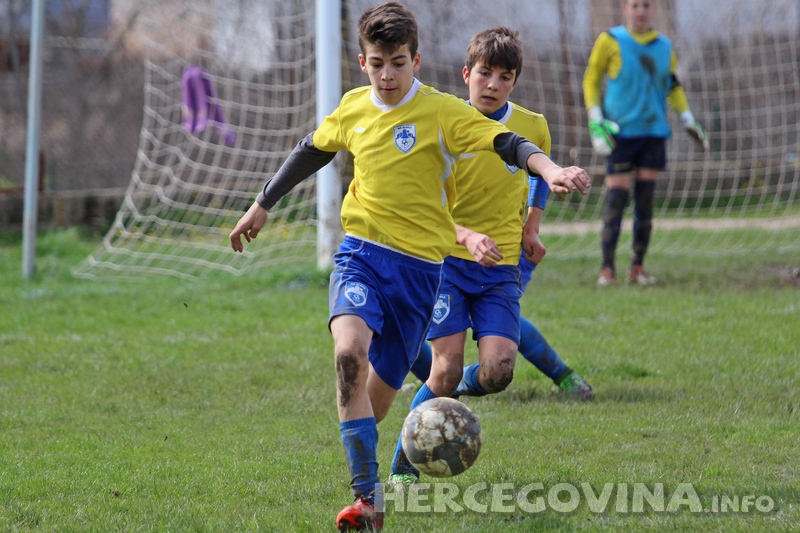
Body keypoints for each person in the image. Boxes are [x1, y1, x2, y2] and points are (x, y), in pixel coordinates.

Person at [228, 3, 591, 531]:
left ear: (416, 60)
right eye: (377, 63)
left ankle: (385, 466)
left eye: (398, 62)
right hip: (361, 254)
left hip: (420, 274)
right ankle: (367, 502)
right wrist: (262, 202)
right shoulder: (354, 107)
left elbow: (507, 142)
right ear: (363, 61)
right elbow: (313, 148)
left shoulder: (442, 111)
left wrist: (550, 169)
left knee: (373, 407)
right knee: (348, 354)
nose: (388, 74)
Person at [389, 26, 593, 490]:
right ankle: (402, 464)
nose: (493, 84)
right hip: (447, 262)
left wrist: (532, 226)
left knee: (499, 372)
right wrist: (465, 235)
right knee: (443, 367)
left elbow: (538, 173)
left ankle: (444, 392)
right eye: (485, 73)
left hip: (500, 267)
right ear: (467, 74)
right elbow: (425, 202)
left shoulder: (531, 125)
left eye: (504, 76)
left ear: (514, 82)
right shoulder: (444, 125)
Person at [583, 0, 708, 287]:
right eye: (634, 5)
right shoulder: (610, 40)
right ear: (624, 9)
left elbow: (672, 86)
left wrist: (687, 117)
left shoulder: (665, 46)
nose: (640, 10)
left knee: (645, 203)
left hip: (653, 133)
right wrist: (594, 115)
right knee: (616, 199)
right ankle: (607, 269)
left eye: (646, 5)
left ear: (654, 10)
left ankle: (637, 268)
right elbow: (591, 78)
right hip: (620, 133)